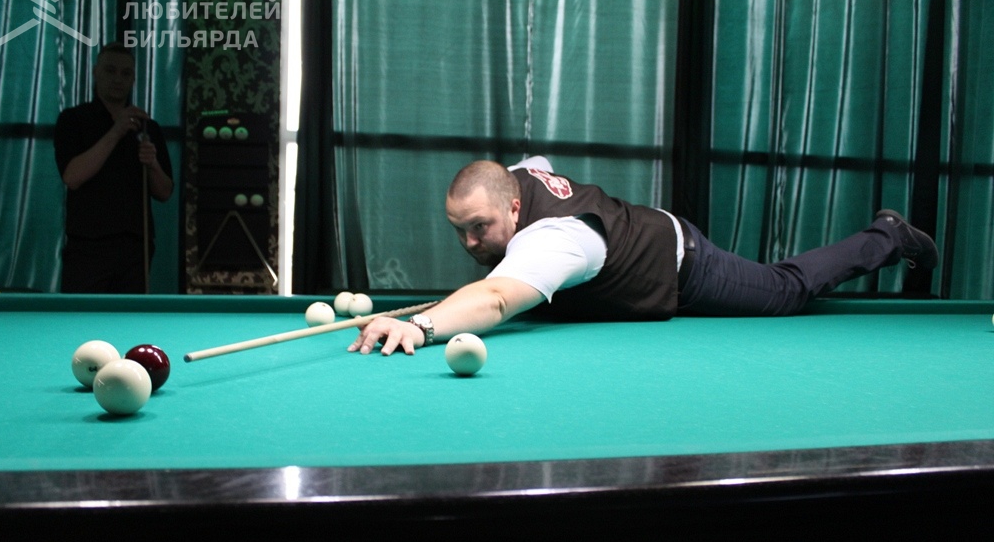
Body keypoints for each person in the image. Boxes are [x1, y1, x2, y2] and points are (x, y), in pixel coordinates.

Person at [349, 156, 938, 356]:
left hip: (681, 264)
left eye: (480, 229)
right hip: (635, 238)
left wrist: (421, 325)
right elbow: (536, 166)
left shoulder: (553, 239)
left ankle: (888, 235)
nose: (470, 244)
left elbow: (499, 297)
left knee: (785, 291)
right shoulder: (514, 181)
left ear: (514, 207)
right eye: (459, 231)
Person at [54, 42, 174, 293]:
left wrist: (152, 164)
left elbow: (164, 192)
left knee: (131, 316)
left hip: (136, 248)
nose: (118, 79)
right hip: (87, 247)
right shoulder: (73, 120)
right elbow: (73, 177)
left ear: (133, 79)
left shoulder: (148, 127)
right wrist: (117, 131)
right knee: (81, 314)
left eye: (126, 73)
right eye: (110, 71)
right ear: (95, 72)